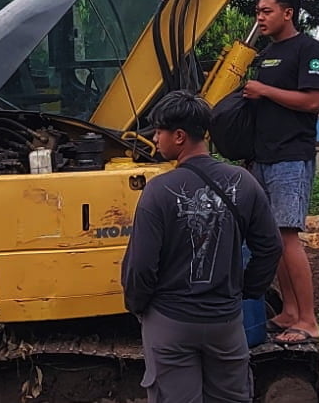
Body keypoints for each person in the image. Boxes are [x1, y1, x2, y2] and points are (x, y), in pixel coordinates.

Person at [122, 90, 282, 403]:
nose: (155, 138)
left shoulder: (159, 191)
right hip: (225, 323)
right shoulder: (244, 182)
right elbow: (271, 247)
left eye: (160, 131)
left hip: (171, 323)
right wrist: (245, 291)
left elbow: (141, 265)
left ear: (179, 136)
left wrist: (138, 306)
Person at [242, 0, 319, 346]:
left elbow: (312, 102)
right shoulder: (265, 54)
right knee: (271, 239)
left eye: (266, 11)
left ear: (287, 12)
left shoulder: (308, 49)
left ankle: (308, 319)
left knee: (288, 237)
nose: (259, 18)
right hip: (262, 156)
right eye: (258, 12)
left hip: (291, 157)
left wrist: (263, 91)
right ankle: (290, 310)